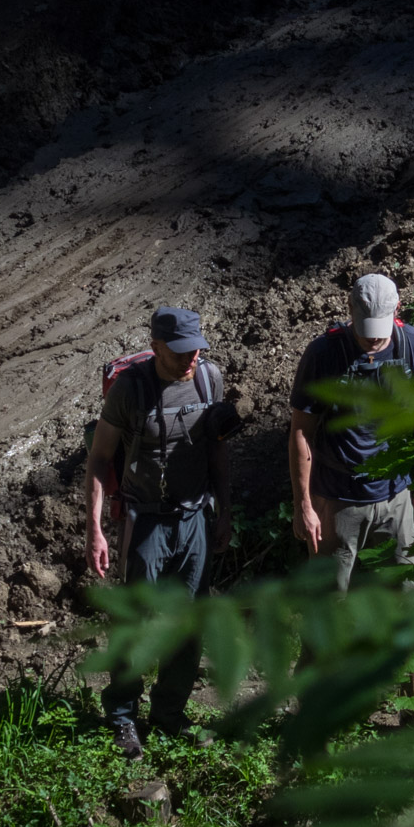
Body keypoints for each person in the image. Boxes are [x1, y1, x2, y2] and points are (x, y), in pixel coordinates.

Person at [84, 306, 239, 761]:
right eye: (179, 352)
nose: (189, 359)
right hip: (146, 518)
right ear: (155, 347)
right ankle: (122, 717)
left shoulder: (209, 379)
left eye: (195, 350)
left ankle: (170, 715)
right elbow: (98, 459)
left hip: (195, 520)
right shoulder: (131, 389)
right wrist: (95, 529)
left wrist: (224, 511)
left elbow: (218, 452)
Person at [288, 273, 414, 714]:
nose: (371, 342)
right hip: (336, 502)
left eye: (379, 332)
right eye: (363, 331)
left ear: (398, 313)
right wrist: (304, 505)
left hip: (396, 498)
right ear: (349, 312)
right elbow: (301, 430)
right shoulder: (324, 353)